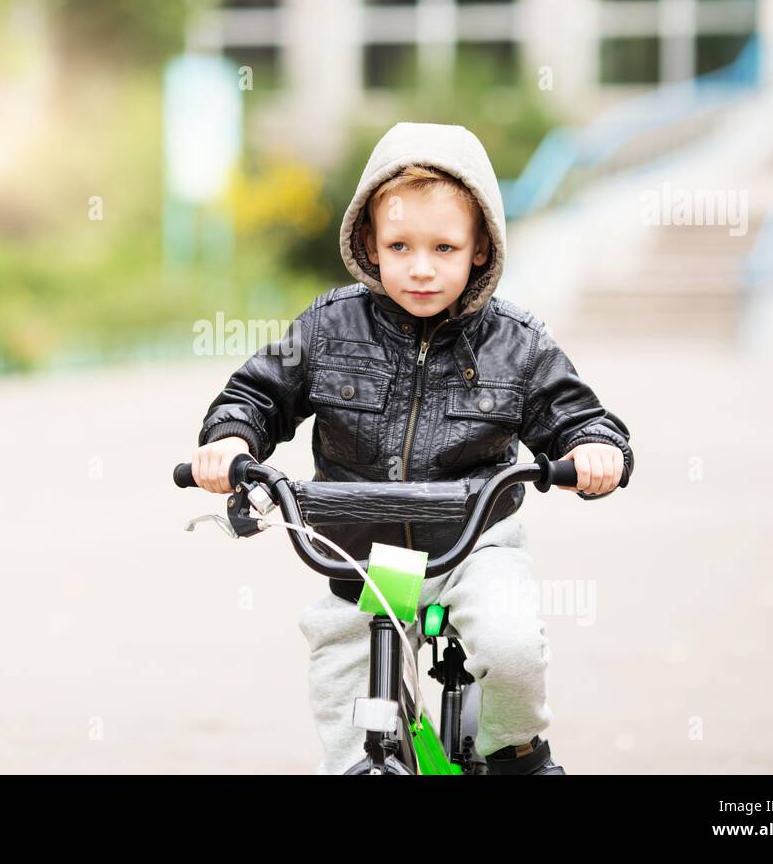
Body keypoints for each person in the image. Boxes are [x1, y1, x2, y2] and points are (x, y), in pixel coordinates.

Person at [190, 122, 635, 774]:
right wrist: (230, 440)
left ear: (480, 248)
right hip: (366, 553)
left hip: (473, 543)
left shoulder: (516, 342)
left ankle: (516, 749)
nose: (421, 268)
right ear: (369, 242)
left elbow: (580, 416)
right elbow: (257, 394)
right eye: (399, 245)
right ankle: (363, 765)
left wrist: (596, 450)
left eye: (444, 247)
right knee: (346, 680)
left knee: (511, 648)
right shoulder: (328, 327)